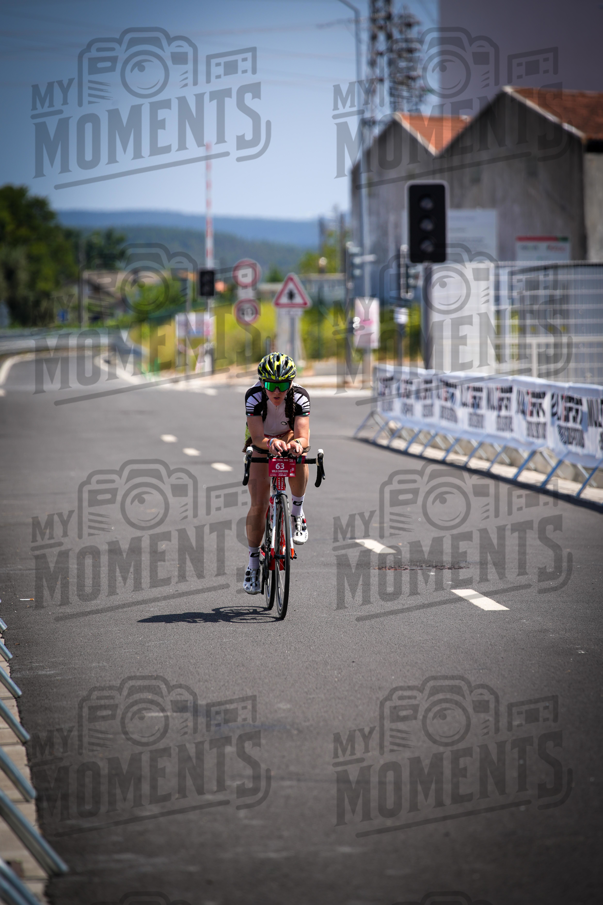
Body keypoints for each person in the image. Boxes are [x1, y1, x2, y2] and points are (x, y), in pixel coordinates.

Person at [243, 353, 310, 594]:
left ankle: (297, 512)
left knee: (300, 457)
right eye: (271, 385)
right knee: (259, 506)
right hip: (261, 440)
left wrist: (298, 445)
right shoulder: (254, 396)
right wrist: (269, 443)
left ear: (291, 383)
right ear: (262, 382)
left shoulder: (300, 396)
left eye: (283, 385)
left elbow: (303, 435)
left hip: (288, 435)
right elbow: (258, 436)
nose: (277, 391)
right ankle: (252, 563)